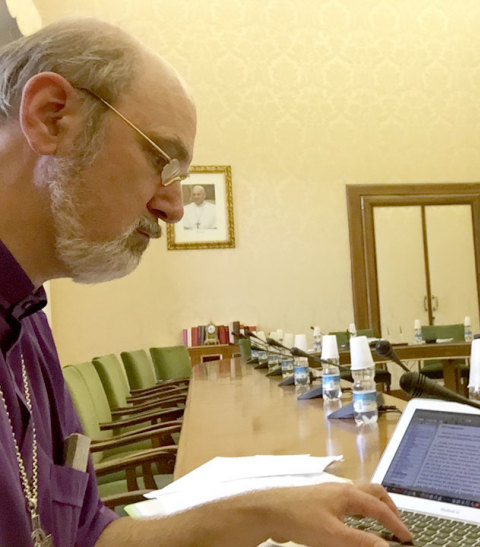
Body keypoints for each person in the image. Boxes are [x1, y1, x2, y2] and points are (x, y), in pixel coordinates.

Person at [0, 17, 411, 547]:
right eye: (161, 162)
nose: (173, 209)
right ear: (51, 117)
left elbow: (88, 536)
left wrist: (258, 514)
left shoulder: (30, 323)